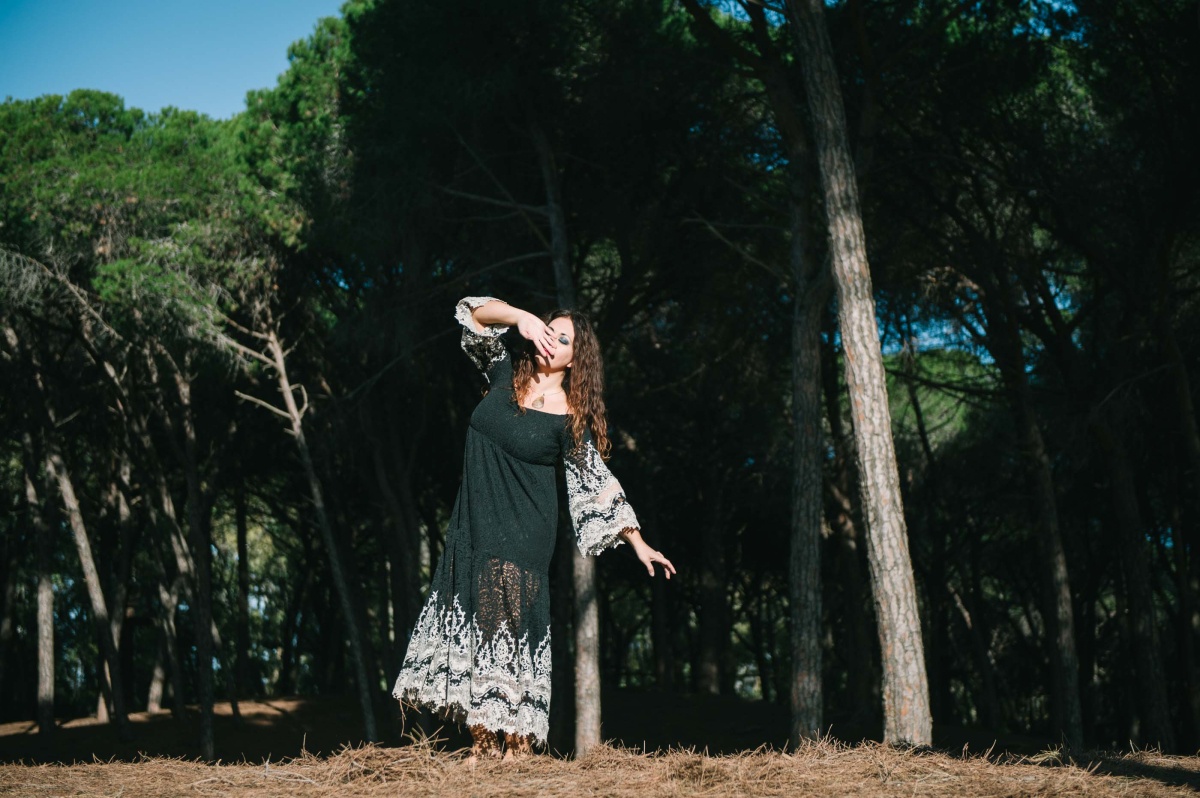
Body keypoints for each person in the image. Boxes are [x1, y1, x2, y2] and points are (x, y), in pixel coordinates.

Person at [391, 296, 675, 761]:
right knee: (479, 627)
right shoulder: (503, 371)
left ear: (575, 359)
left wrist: (639, 544)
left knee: (502, 629)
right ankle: (489, 750)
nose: (551, 341)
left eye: (564, 340)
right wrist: (520, 317)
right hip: (473, 526)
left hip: (524, 533)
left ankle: (514, 750)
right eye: (549, 331)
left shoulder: (571, 419)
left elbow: (598, 483)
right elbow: (475, 316)